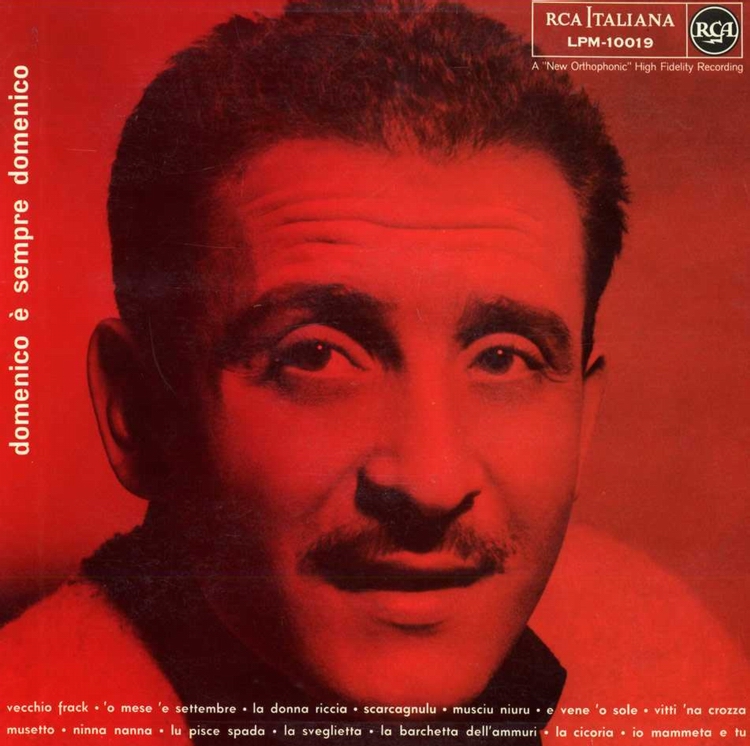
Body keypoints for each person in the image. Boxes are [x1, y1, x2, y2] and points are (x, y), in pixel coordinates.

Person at [1, 2, 745, 744]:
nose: (429, 481)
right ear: (138, 414)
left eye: (501, 359)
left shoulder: (663, 663)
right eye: (316, 356)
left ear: (584, 421)